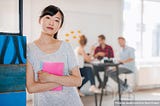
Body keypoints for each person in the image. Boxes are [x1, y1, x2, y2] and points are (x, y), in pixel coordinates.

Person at [26, 5, 83, 106]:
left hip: (71, 102)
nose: (51, 23)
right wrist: (65, 80)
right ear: (40, 20)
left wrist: (50, 77)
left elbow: (78, 81)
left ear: (60, 26)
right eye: (48, 17)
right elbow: (31, 88)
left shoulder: (66, 47)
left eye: (57, 20)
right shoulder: (29, 49)